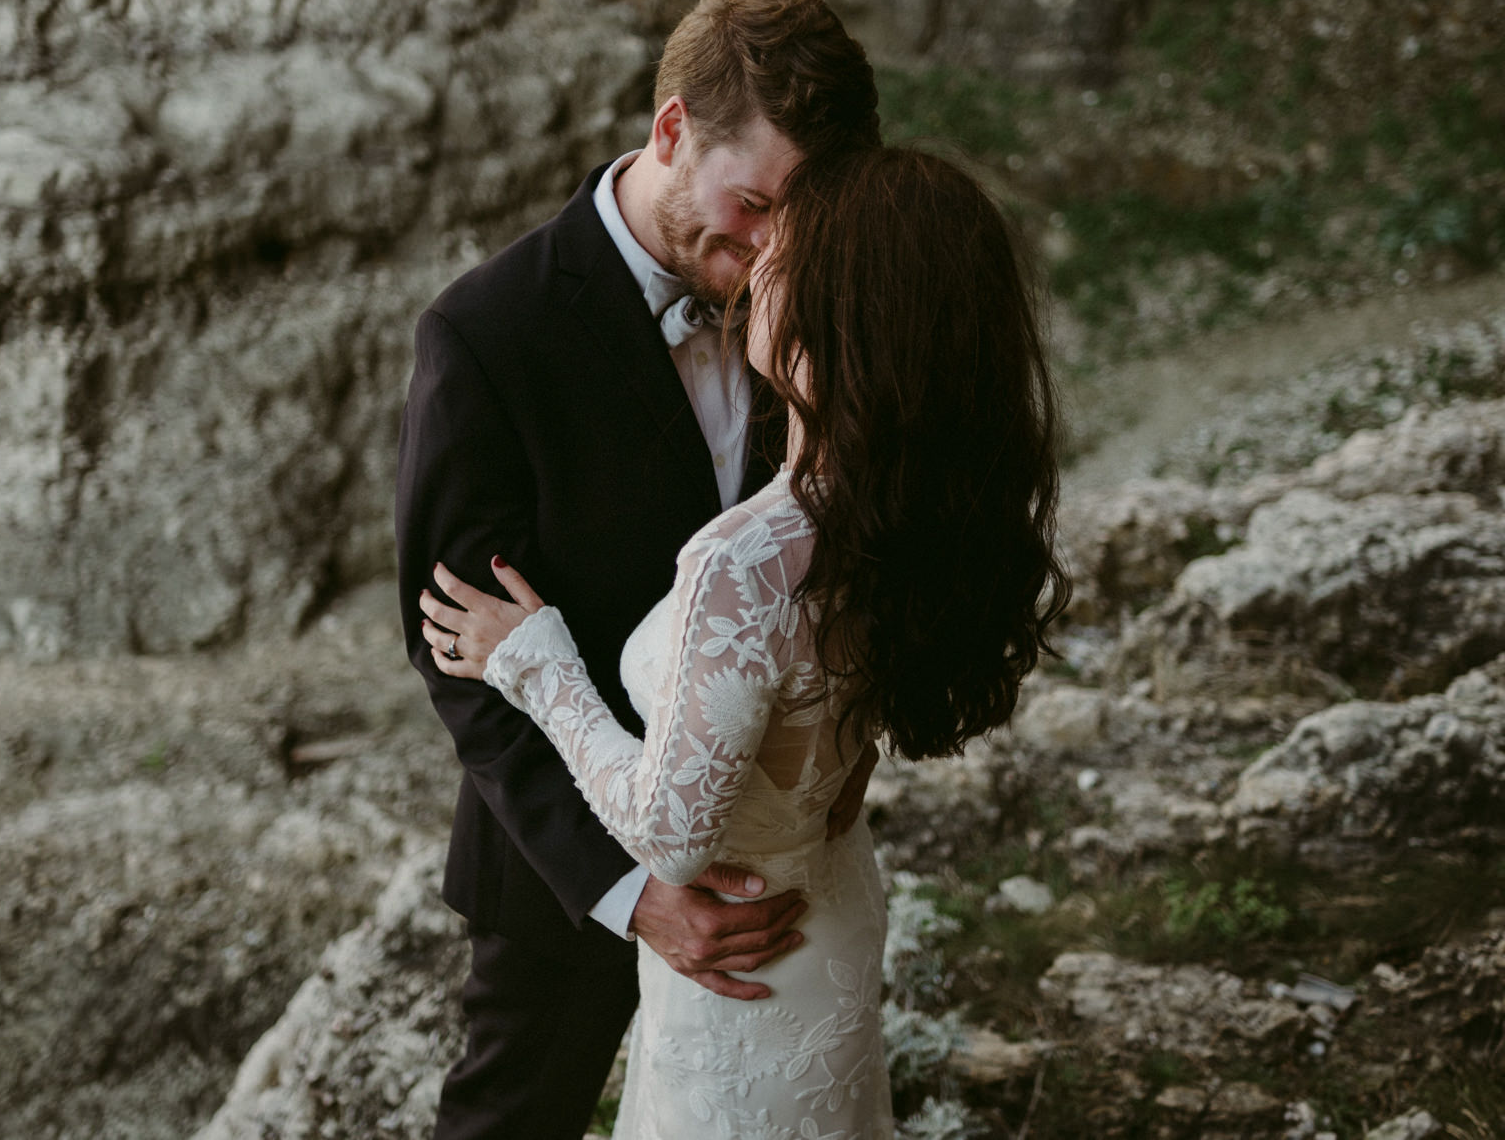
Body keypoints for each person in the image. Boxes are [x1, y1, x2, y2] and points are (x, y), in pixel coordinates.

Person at [420, 145, 1072, 1137]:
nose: (762, 256)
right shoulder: (901, 502)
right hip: (813, 902)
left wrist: (536, 660)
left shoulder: (749, 556)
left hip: (747, 955)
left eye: (791, 247)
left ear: (838, 314)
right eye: (760, 213)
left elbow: (672, 832)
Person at [394, 0, 884, 1140]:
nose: (773, 247)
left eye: (799, 216)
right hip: (563, 872)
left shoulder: (807, 302)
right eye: (754, 201)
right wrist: (627, 894)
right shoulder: (486, 333)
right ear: (670, 131)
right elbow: (458, 645)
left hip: (770, 865)